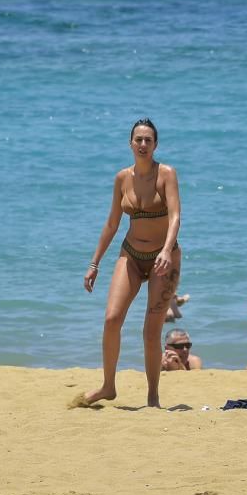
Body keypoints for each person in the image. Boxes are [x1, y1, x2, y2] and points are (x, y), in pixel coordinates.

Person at [74, 118, 183, 409]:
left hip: (164, 258)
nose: (143, 144)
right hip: (131, 255)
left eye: (149, 140)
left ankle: (153, 396)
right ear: (130, 143)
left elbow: (175, 217)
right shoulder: (122, 178)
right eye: (138, 140)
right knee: (111, 319)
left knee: (151, 331)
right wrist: (94, 263)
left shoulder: (167, 174)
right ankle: (108, 386)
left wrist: (167, 250)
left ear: (156, 144)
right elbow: (112, 223)